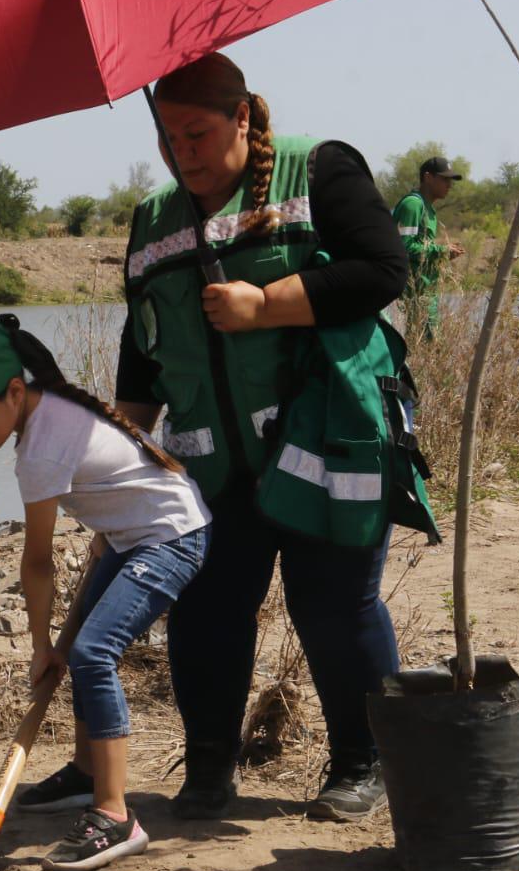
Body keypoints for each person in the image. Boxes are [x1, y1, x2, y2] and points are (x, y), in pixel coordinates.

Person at [109, 52, 439, 824]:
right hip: (211, 460)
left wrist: (266, 305)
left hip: (324, 440)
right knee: (204, 609)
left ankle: (361, 764)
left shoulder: (318, 171)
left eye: (196, 133)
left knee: (332, 607)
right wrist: (125, 452)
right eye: (167, 138)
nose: (182, 153)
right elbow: (140, 343)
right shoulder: (154, 218)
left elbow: (381, 269)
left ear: (242, 117)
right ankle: (208, 769)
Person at [0, 315, 210, 871]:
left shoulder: (40, 450)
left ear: (14, 392)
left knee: (93, 653)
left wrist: (40, 645)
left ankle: (115, 816)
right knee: (80, 648)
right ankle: (86, 771)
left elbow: (37, 563)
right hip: (128, 534)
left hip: (170, 536)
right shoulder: (48, 411)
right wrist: (55, 645)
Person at [392, 157, 466, 340]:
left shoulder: (428, 208)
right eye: (444, 179)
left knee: (428, 344)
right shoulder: (413, 205)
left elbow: (420, 247)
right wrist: (440, 251)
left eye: (451, 180)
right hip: (414, 293)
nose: (449, 185)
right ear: (428, 177)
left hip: (426, 289)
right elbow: (403, 247)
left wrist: (444, 254)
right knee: (425, 343)